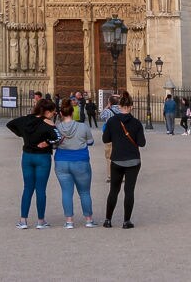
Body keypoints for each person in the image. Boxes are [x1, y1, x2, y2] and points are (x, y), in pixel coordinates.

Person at [7, 97, 59, 228]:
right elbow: (58, 138)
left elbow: (10, 124)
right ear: (47, 111)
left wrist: (22, 134)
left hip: (27, 156)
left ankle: (23, 220)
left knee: (27, 188)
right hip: (42, 157)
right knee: (41, 189)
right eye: (53, 111)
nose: (54, 114)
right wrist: (47, 142)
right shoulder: (48, 123)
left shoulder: (26, 119)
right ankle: (41, 221)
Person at [101, 91, 145, 228]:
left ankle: (108, 220)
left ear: (119, 106)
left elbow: (105, 139)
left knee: (113, 190)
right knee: (129, 191)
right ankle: (126, 221)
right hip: (133, 160)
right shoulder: (137, 123)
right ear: (131, 106)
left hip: (117, 159)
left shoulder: (112, 121)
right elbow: (142, 143)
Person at [54, 98, 95, 228]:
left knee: (66, 192)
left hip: (61, 161)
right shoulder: (82, 126)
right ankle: (88, 219)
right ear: (72, 112)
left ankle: (69, 221)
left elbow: (54, 145)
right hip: (80, 160)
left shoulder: (57, 128)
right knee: (84, 192)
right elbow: (90, 142)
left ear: (61, 114)